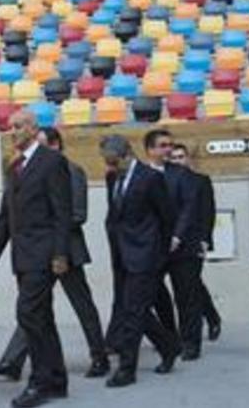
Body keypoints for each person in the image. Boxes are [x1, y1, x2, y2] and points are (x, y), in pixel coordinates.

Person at [0, 127, 110, 381]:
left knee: (82, 305)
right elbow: (8, 215)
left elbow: (76, 213)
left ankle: (100, 357)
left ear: (55, 146)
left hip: (66, 251)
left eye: (41, 145)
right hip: (39, 252)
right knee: (33, 307)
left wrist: (51, 235)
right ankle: (13, 361)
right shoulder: (20, 169)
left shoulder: (72, 171)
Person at [0, 110, 73, 408]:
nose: (13, 131)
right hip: (22, 256)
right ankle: (56, 380)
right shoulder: (14, 166)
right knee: (42, 316)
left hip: (44, 255)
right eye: (10, 127)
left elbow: (62, 213)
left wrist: (60, 253)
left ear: (34, 129)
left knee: (29, 314)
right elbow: (6, 215)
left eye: (18, 126)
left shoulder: (52, 161)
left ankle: (40, 382)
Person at [99, 134, 180, 388]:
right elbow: (114, 215)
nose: (109, 167)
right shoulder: (113, 177)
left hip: (146, 254)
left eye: (112, 162)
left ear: (126, 155)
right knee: (134, 309)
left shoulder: (151, 178)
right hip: (121, 254)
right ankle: (168, 346)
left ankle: (127, 369)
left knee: (132, 312)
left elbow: (167, 217)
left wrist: (160, 255)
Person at [143, 129, 203, 360]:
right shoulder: (141, 174)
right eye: (163, 145)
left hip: (182, 246)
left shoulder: (182, 174)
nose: (168, 149)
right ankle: (169, 338)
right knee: (155, 295)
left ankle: (191, 343)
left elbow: (189, 207)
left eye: (170, 145)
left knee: (186, 295)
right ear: (150, 150)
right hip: (152, 247)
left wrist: (177, 236)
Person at [168, 143, 224, 341]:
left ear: (188, 158)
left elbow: (208, 212)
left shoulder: (201, 181)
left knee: (190, 287)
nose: (178, 161)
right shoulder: (166, 180)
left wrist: (206, 239)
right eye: (173, 158)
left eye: (181, 156)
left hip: (194, 241)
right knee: (193, 285)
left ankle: (200, 327)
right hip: (173, 243)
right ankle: (211, 315)